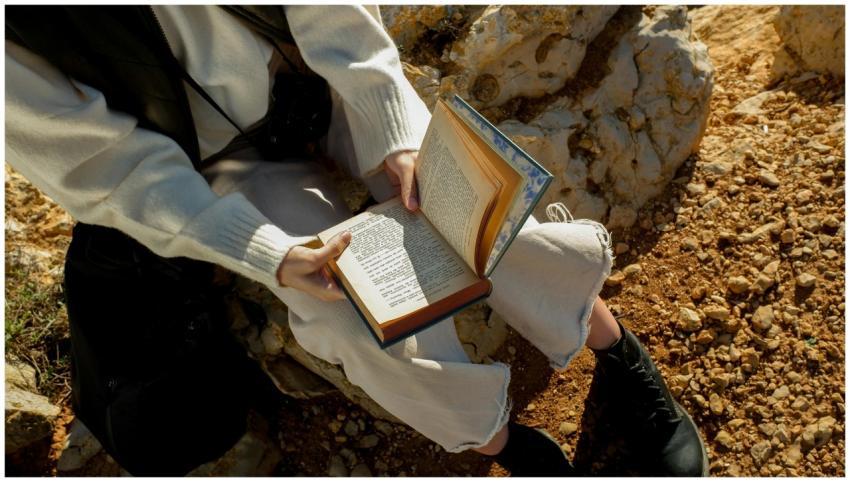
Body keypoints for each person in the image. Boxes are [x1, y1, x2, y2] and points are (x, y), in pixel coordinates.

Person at [5, 5, 708, 476]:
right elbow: (106, 167)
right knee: (350, 309)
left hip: (327, 78)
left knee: (464, 203)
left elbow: (332, 10)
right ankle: (504, 441)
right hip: (211, 162)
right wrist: (266, 254)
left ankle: (615, 350)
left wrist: (391, 132)